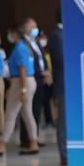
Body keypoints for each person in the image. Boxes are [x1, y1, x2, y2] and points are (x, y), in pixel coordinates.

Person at [0, 25, 39, 156]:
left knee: (10, 114)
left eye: (10, 33)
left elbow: (22, 69)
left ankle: (2, 145)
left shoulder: (20, 48)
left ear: (15, 34)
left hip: (22, 81)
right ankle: (34, 143)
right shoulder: (25, 46)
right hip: (25, 81)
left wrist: (22, 90)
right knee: (27, 114)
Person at [19, 18, 51, 149]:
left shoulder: (36, 43)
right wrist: (40, 72)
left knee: (37, 110)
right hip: (32, 78)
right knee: (28, 111)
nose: (35, 29)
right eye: (33, 27)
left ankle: (34, 138)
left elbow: (42, 59)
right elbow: (28, 64)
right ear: (26, 28)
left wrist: (47, 71)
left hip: (40, 81)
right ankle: (26, 139)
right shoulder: (23, 44)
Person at [47, 17, 67, 166]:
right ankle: (64, 155)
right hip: (63, 84)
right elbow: (61, 59)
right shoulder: (56, 35)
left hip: (71, 85)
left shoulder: (64, 33)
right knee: (64, 121)